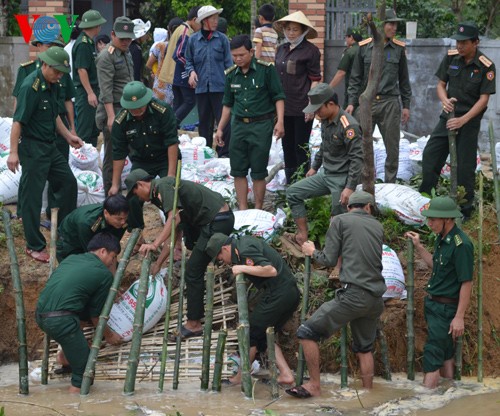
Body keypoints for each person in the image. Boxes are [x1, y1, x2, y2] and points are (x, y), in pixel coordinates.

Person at [286, 191, 386, 398]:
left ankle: (314, 385)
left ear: (349, 206)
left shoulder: (340, 220)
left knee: (306, 332)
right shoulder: (378, 225)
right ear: (368, 207)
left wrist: (311, 251)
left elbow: (329, 259)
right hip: (375, 299)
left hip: (353, 296)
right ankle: (369, 395)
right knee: (364, 348)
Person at [125, 169, 235, 338]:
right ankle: (203, 273)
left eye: (135, 193)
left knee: (192, 271)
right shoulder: (158, 194)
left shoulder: (163, 186)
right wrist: (158, 264)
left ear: (140, 184)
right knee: (191, 246)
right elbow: (175, 231)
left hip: (216, 221)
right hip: (208, 220)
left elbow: (173, 218)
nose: (138, 198)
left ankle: (194, 324)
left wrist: (155, 244)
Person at [7, 46, 83, 263]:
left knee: (68, 182)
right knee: (32, 197)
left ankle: (65, 230)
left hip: (50, 146)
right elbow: (18, 121)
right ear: (45, 65)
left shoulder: (53, 84)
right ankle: (34, 245)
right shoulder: (30, 87)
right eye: (56, 71)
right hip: (32, 149)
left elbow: (54, 116)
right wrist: (13, 152)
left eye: (62, 73)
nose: (59, 76)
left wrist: (69, 136)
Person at [419, 22, 496, 219]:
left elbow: (484, 99)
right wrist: (444, 101)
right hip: (448, 117)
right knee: (430, 156)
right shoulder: (451, 57)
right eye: (458, 42)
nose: (459, 46)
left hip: (468, 122)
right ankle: (424, 199)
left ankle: (464, 211)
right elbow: (441, 84)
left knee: (464, 168)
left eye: (464, 42)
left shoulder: (486, 65)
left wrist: (463, 120)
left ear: (475, 42)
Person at [205, 233, 300, 385]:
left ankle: (241, 377)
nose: (223, 262)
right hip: (287, 293)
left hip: (279, 293)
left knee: (251, 333)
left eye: (220, 258)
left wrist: (241, 267)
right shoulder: (243, 244)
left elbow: (270, 270)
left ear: (224, 248)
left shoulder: (244, 250)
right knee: (263, 336)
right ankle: (286, 374)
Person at [36, 232, 123, 394]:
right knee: (85, 372)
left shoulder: (72, 258)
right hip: (61, 320)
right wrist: (110, 336)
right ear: (103, 251)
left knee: (79, 316)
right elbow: (97, 317)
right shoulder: (104, 275)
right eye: (113, 257)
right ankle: (73, 406)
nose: (113, 262)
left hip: (41, 314)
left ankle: (65, 358)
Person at [405, 196, 473, 389]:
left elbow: (466, 283)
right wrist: (419, 246)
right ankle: (450, 394)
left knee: (433, 353)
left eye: (434, 219)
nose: (430, 223)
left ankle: (425, 402)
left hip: (446, 309)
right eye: (429, 218)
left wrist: (459, 317)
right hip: (434, 305)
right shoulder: (442, 239)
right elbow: (436, 264)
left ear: (448, 220)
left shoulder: (462, 245)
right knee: (445, 352)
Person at [286, 83, 363, 245]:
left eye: (318, 109)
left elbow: (357, 159)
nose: (316, 113)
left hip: (342, 179)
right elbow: (324, 145)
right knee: (293, 192)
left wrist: (350, 187)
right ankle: (302, 235)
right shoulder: (325, 119)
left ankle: (337, 261)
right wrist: (314, 167)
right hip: (327, 174)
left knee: (337, 220)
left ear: (331, 104)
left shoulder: (349, 125)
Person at [214, 35, 285, 210]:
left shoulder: (266, 70)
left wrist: (280, 121)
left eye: (242, 55)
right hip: (238, 126)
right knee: (238, 169)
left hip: (261, 125)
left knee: (259, 171)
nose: (238, 59)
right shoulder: (231, 75)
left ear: (251, 52)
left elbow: (279, 97)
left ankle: (259, 208)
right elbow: (227, 105)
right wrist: (220, 129)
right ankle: (244, 208)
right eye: (234, 55)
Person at [346, 8, 412, 183]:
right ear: (381, 25)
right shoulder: (364, 48)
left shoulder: (398, 49)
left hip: (390, 102)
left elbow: (404, 80)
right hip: (366, 102)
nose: (394, 27)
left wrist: (406, 105)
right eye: (391, 24)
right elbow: (355, 78)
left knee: (392, 146)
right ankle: (360, 185)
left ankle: (390, 183)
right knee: (359, 145)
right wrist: (352, 102)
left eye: (396, 24)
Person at [110, 81, 179, 229]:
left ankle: (175, 234)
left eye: (140, 107)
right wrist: (115, 184)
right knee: (133, 198)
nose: (136, 111)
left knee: (170, 193)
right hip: (142, 161)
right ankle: (137, 234)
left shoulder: (163, 111)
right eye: (132, 109)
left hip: (165, 158)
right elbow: (119, 153)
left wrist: (171, 174)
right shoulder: (120, 121)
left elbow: (172, 142)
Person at [274, 11, 322, 184]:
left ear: (302, 31)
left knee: (300, 147)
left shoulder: (311, 51)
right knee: (287, 147)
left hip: (302, 106)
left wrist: (311, 106)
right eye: (288, 29)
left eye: (295, 29)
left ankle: (303, 184)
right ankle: (290, 184)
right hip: (283, 107)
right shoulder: (281, 49)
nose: (291, 33)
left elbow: (315, 80)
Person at [185, 5, 233, 156]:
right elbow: (188, 61)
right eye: (213, 18)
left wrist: (231, 86)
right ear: (204, 21)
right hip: (201, 89)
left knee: (224, 123)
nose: (216, 21)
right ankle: (206, 153)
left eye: (216, 18)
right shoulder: (193, 40)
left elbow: (229, 65)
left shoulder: (223, 40)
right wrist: (191, 72)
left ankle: (224, 153)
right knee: (204, 124)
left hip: (220, 88)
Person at [95, 16, 135, 196]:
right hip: (114, 109)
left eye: (129, 38)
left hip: (129, 108)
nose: (126, 41)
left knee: (131, 151)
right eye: (122, 38)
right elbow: (106, 90)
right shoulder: (106, 56)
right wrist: (111, 117)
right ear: (112, 35)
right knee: (113, 155)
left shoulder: (126, 52)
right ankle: (111, 198)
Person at [56, 194, 129, 262]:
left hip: (90, 238)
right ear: (106, 213)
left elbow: (113, 245)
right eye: (119, 219)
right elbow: (91, 253)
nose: (123, 222)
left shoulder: (121, 219)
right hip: (70, 244)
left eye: (125, 218)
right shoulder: (88, 223)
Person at [72, 9, 107, 147]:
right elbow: (82, 70)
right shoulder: (83, 44)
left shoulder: (89, 42)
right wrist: (90, 92)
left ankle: (90, 162)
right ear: (95, 26)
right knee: (85, 131)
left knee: (93, 130)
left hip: (92, 90)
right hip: (85, 92)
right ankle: (81, 162)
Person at [171, 7, 201, 127]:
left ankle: (171, 127)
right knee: (189, 101)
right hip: (183, 74)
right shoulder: (186, 31)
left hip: (177, 75)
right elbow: (178, 55)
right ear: (195, 19)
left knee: (179, 103)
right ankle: (172, 124)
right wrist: (191, 68)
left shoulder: (181, 29)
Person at [329, 27, 363, 108]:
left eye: (346, 37)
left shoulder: (350, 52)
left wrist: (329, 88)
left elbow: (341, 73)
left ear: (351, 37)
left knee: (348, 118)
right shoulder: (365, 50)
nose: (345, 39)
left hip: (352, 92)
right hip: (365, 93)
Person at [130, 18, 151, 83]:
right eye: (146, 33)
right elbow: (136, 70)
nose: (147, 35)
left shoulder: (130, 46)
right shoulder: (136, 49)